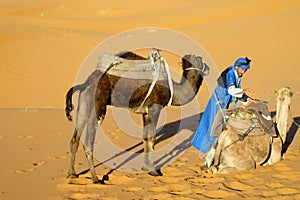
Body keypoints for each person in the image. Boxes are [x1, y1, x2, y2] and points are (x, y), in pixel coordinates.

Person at [191, 57, 255, 156]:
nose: (244, 71)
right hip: (218, 102)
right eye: (243, 69)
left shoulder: (237, 75)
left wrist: (247, 99)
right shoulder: (230, 73)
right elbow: (231, 90)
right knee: (214, 124)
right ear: (237, 67)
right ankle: (208, 150)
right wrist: (244, 91)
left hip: (225, 102)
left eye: (245, 70)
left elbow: (235, 92)